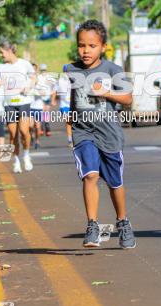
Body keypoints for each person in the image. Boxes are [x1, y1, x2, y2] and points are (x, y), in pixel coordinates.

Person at [64, 19, 136, 249]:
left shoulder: (113, 70)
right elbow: (73, 101)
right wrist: (70, 127)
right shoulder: (72, 69)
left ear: (103, 47)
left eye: (92, 46)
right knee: (90, 176)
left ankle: (123, 223)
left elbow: (128, 99)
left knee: (115, 183)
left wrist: (106, 92)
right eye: (81, 45)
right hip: (83, 132)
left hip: (110, 134)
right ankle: (92, 226)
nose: (85, 50)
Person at [0, 41, 35, 173]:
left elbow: (34, 78)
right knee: (12, 134)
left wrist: (28, 86)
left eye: (2, 52)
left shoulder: (24, 64)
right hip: (9, 103)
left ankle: (26, 155)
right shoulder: (0, 67)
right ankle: (16, 160)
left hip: (23, 101)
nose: (0, 55)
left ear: (9, 51)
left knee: (24, 131)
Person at [52, 64, 73, 148]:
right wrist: (53, 100)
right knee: (69, 122)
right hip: (64, 105)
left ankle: (76, 138)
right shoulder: (60, 80)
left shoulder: (75, 79)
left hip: (74, 104)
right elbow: (54, 90)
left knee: (75, 122)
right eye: (66, 71)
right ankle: (70, 140)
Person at [28, 63, 45, 149]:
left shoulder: (41, 79)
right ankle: (32, 137)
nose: (33, 71)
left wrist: (37, 91)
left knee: (37, 126)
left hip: (38, 106)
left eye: (34, 69)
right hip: (29, 106)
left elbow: (44, 92)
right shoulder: (27, 80)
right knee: (30, 126)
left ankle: (37, 141)